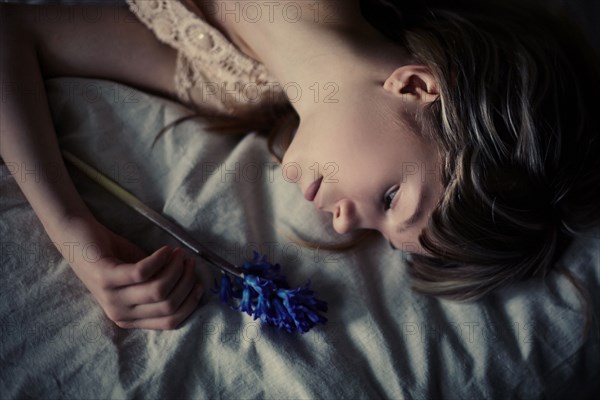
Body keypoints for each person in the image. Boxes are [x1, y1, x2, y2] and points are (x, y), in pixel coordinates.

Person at [1, 0, 598, 331]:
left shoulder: (224, 83)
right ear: (416, 85)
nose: (342, 224)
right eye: (391, 200)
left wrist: (73, 233)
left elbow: (13, 32)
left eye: (383, 237)